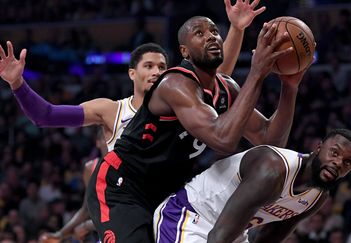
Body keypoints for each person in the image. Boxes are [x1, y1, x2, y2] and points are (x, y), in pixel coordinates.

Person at [87, 12, 307, 242]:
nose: (211, 37)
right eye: (199, 33)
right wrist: (257, 72)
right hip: (122, 186)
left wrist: (289, 88)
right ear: (185, 52)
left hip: (164, 191)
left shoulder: (226, 89)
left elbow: (270, 142)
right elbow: (223, 140)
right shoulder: (175, 84)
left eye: (214, 31)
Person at [0, 0, 263, 152]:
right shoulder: (110, 110)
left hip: (173, 200)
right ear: (132, 73)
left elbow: (218, 76)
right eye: (149, 66)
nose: (157, 72)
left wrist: (236, 29)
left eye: (161, 66)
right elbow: (46, 116)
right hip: (128, 203)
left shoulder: (179, 98)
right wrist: (17, 84)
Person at [154, 128, 351, 243]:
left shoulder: (318, 196)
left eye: (347, 162)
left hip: (232, 233)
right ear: (318, 148)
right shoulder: (273, 169)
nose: (338, 163)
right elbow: (218, 236)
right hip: (191, 216)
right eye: (334, 153)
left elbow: (271, 237)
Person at [39, 128, 107, 243]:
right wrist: (59, 234)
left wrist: (87, 226)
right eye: (106, 137)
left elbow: (121, 214)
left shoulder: (125, 165)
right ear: (98, 142)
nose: (111, 141)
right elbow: (86, 209)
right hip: (106, 233)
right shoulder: (91, 168)